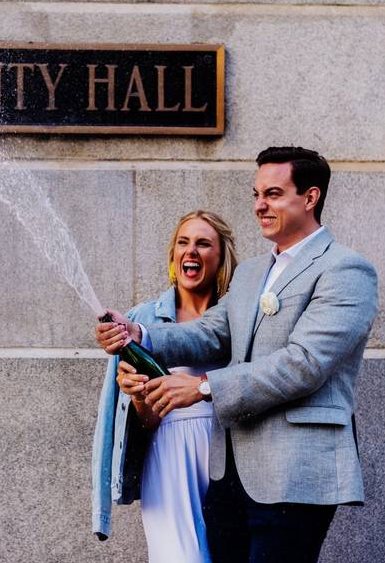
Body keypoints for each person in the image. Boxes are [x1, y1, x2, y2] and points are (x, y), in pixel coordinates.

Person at [96, 146, 379, 563]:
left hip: (295, 476)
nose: (260, 205)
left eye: (273, 194)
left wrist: (204, 386)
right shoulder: (250, 273)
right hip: (227, 478)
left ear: (311, 197)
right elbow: (212, 334)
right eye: (256, 194)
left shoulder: (346, 269)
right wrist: (139, 332)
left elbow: (304, 364)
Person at [91, 210, 239, 563]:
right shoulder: (142, 319)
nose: (191, 251)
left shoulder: (239, 317)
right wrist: (139, 395)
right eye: (183, 243)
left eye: (204, 243)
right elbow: (145, 420)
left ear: (221, 257)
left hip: (231, 457)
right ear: (174, 255)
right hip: (169, 458)